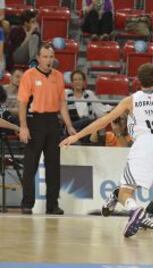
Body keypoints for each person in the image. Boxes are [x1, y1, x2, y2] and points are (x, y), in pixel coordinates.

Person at [60, 63, 153, 238]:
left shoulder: (130, 100)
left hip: (144, 145)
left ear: (138, 81)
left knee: (125, 190)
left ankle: (134, 210)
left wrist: (76, 136)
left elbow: (104, 120)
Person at [18, 44, 76, 215]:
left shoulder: (58, 76)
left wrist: (69, 124)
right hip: (35, 121)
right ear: (38, 57)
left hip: (52, 122)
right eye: (45, 56)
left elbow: (62, 103)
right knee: (30, 166)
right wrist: (23, 126)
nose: (48, 60)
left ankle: (53, 205)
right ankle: (27, 203)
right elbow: (22, 102)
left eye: (51, 57)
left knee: (53, 166)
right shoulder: (29, 75)